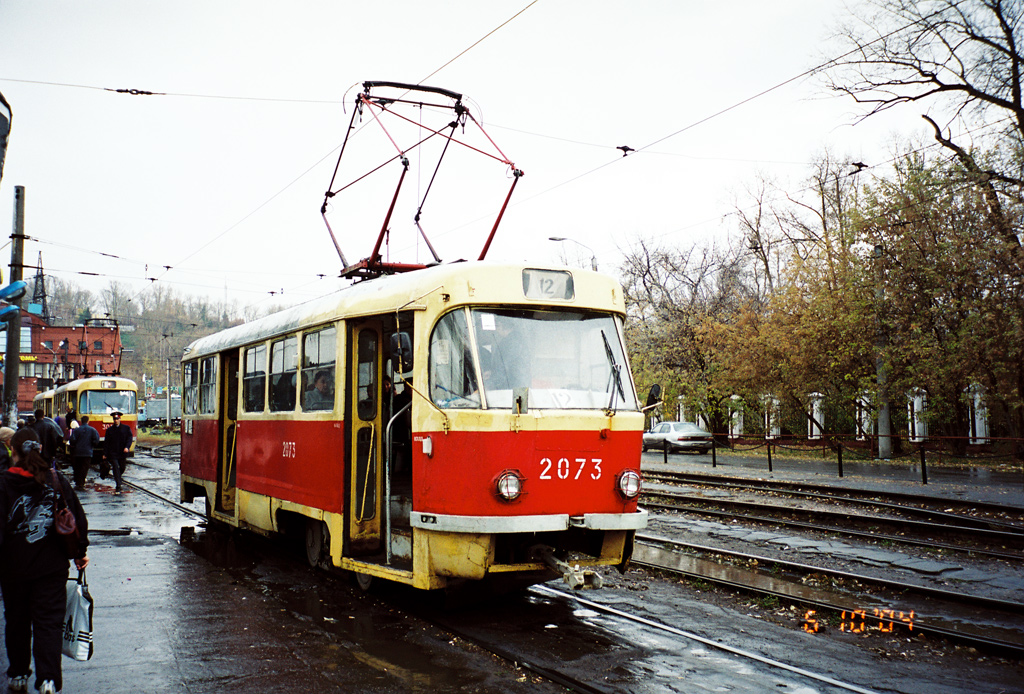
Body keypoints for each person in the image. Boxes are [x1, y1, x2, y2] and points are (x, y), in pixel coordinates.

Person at [0, 427, 89, 694]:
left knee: (16, 620)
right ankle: (48, 679)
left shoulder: (4, 483)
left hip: (13, 568)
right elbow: (76, 518)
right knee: (48, 622)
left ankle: (17, 674)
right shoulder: (55, 479)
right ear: (40, 449)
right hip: (52, 568)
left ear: (12, 451)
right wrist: (80, 552)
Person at [102, 412, 132, 493]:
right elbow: (106, 442)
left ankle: (118, 477)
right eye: (114, 419)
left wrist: (127, 447)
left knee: (122, 467)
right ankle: (118, 484)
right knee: (115, 467)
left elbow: (129, 438)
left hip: (122, 452)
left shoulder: (126, 428)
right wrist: (105, 453)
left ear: (120, 419)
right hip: (113, 453)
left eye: (117, 419)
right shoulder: (110, 430)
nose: (116, 420)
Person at [68, 416, 100, 490]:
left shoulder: (76, 430)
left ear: (81, 421)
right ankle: (81, 483)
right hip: (87, 452)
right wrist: (92, 445)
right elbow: (96, 440)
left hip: (77, 452)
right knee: (84, 468)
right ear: (88, 421)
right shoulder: (93, 430)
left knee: (78, 467)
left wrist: (74, 446)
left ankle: (78, 482)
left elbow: (72, 440)